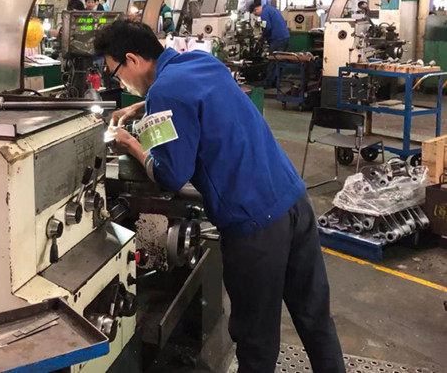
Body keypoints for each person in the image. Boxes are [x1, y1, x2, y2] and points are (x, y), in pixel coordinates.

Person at [95, 19, 345, 373]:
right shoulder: (200, 62)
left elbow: (170, 174)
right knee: (314, 317)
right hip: (294, 202)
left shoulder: (165, 92)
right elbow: (195, 97)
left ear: (132, 59)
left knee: (256, 339)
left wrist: (130, 143)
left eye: (115, 72)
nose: (119, 82)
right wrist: (141, 107)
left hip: (254, 225)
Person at [250, 2, 290, 89]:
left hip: (278, 38)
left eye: (255, 13)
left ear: (256, 9)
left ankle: (268, 83)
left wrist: (262, 35)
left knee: (273, 59)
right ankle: (276, 82)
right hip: (284, 37)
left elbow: (267, 27)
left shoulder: (264, 12)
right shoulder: (270, 9)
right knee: (279, 61)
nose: (257, 15)